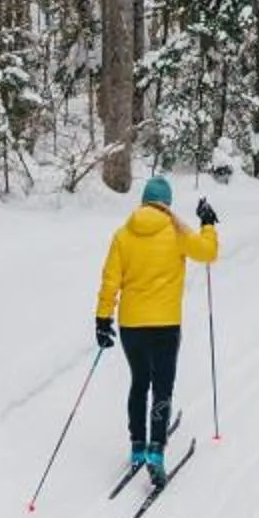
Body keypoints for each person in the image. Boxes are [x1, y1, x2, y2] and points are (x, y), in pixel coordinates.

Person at [94, 176, 220, 485]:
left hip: (131, 326)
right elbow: (207, 253)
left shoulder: (123, 235)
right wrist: (207, 224)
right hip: (165, 324)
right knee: (162, 386)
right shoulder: (176, 231)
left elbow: (110, 280)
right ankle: (156, 452)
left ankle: (137, 445)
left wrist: (102, 319)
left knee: (139, 381)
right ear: (167, 203)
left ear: (144, 202)